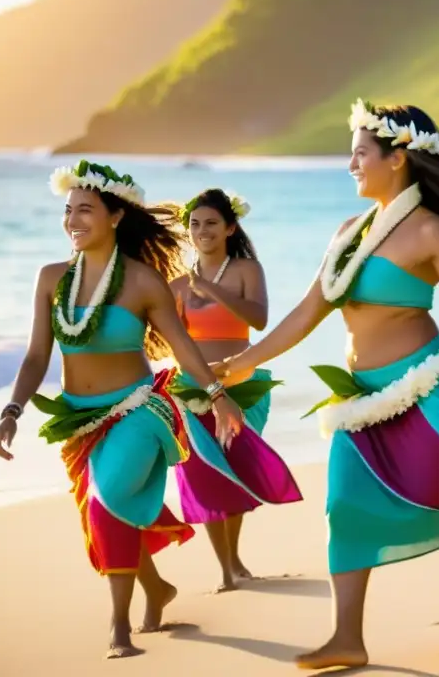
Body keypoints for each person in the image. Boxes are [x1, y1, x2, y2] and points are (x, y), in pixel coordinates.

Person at [213, 100, 439, 671]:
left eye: (361, 152)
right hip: (361, 397)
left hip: (428, 386)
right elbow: (307, 312)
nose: (351, 164)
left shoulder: (431, 232)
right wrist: (241, 362)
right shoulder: (347, 232)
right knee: (344, 506)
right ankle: (347, 637)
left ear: (398, 158)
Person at [0, 160, 245, 659]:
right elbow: (38, 354)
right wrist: (12, 411)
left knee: (107, 502)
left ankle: (119, 628)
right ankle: (156, 588)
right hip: (78, 418)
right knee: (103, 510)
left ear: (115, 216)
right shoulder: (51, 279)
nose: (72, 220)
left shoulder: (143, 283)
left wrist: (218, 394)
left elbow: (183, 347)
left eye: (85, 210)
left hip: (138, 409)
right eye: (67, 211)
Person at [171, 188, 303, 592]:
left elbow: (259, 319)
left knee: (233, 471)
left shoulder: (247, 271)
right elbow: (175, 341)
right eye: (194, 224)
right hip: (193, 387)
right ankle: (227, 567)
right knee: (204, 473)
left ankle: (235, 559)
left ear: (230, 227)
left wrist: (211, 290)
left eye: (211, 223)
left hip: (242, 385)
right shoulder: (177, 285)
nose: (202, 230)